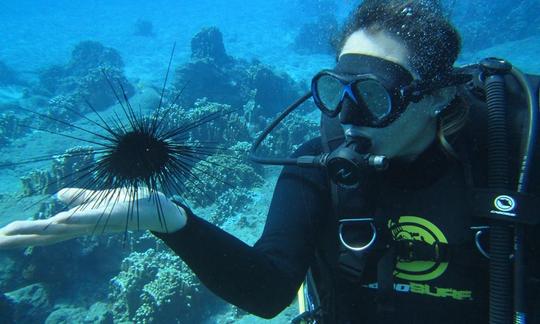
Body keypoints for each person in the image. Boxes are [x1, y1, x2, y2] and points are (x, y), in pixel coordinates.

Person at [0, 0, 539, 323]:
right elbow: (267, 288)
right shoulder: (318, 164)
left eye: (374, 96)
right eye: (336, 89)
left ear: (436, 98)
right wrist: (168, 219)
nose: (347, 118)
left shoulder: (516, 154)